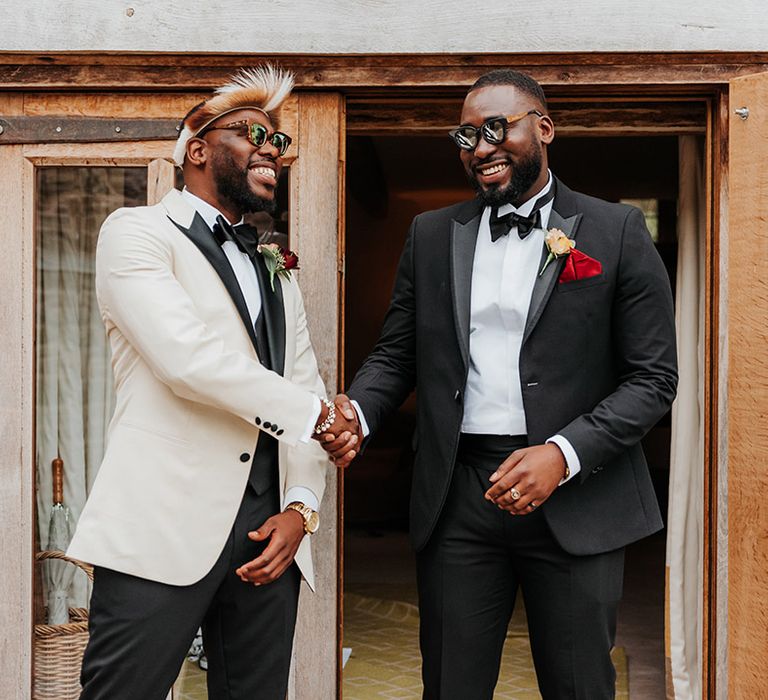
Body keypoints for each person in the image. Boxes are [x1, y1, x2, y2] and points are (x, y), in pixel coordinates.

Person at [321, 69, 677, 699]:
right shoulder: (431, 235)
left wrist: (562, 455)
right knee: (451, 685)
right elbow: (396, 354)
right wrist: (361, 412)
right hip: (459, 493)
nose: (479, 147)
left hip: (578, 494)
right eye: (465, 135)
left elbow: (652, 380)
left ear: (543, 128)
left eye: (495, 128)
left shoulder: (616, 231)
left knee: (579, 685)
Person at [67, 65, 358, 700]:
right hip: (162, 525)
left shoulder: (276, 269)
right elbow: (186, 359)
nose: (270, 150)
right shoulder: (135, 233)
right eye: (253, 133)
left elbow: (304, 377)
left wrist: (300, 510)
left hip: (267, 538)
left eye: (279, 142)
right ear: (196, 150)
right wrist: (318, 415)